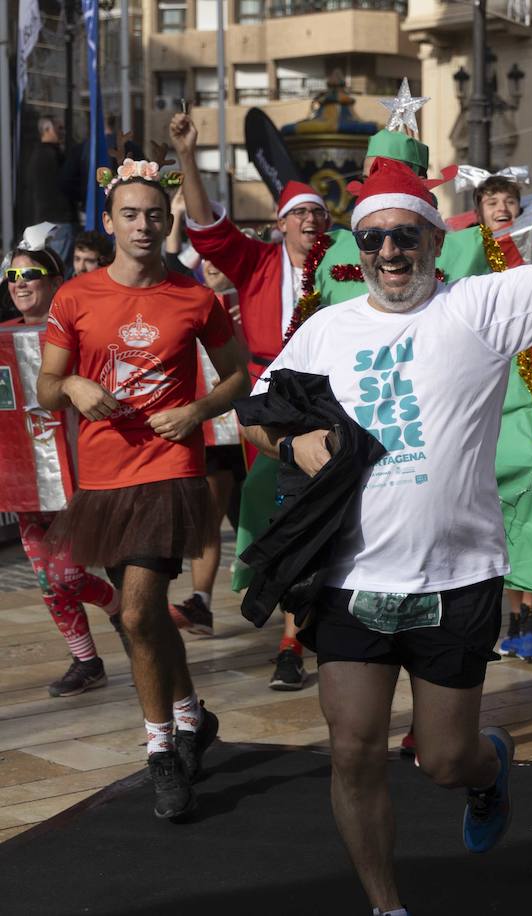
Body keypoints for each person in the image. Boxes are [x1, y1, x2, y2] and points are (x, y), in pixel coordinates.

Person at [239, 157, 532, 914]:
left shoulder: (479, 306)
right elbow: (257, 413)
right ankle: (385, 906)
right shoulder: (327, 329)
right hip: (352, 580)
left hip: (456, 577)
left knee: (442, 759)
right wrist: (294, 444)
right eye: (373, 240)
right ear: (355, 252)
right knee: (353, 750)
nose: (389, 253)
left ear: (434, 239)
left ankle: (486, 768)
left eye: (405, 235)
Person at [37, 163, 250, 819]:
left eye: (153, 215)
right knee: (149, 619)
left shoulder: (193, 298)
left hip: (169, 471)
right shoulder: (74, 297)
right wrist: (73, 386)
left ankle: (160, 751)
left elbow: (240, 374)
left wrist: (197, 411)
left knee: (135, 613)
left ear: (167, 221)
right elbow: (46, 386)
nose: (142, 224)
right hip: (102, 480)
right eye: (129, 214)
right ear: (109, 222)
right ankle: (190, 714)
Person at [172, 109, 325, 689]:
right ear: (281, 224)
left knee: (324, 513)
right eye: (299, 213)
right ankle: (290, 631)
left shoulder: (343, 262)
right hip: (267, 405)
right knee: (278, 511)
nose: (311, 219)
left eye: (318, 211)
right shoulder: (257, 263)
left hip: (333, 401)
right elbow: (207, 229)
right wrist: (188, 156)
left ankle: (301, 636)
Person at [3, 246, 125, 696]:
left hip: (81, 475)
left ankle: (120, 608)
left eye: (30, 273)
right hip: (26, 482)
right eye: (12, 273)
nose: (19, 281)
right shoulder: (0, 336)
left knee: (68, 577)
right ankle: (86, 660)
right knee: (47, 581)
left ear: (55, 282)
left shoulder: (77, 332)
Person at [168, 256, 247, 634]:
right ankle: (201, 600)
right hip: (213, 427)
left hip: (252, 424)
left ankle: (295, 620)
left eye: (221, 257)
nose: (213, 264)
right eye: (207, 259)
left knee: (251, 521)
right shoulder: (189, 299)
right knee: (209, 516)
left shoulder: (249, 297)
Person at [20, 117, 78, 264]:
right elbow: (66, 184)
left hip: (40, 220)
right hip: (60, 220)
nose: (62, 132)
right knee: (59, 267)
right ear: (46, 130)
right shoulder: (56, 155)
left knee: (44, 267)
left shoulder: (33, 155)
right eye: (59, 128)